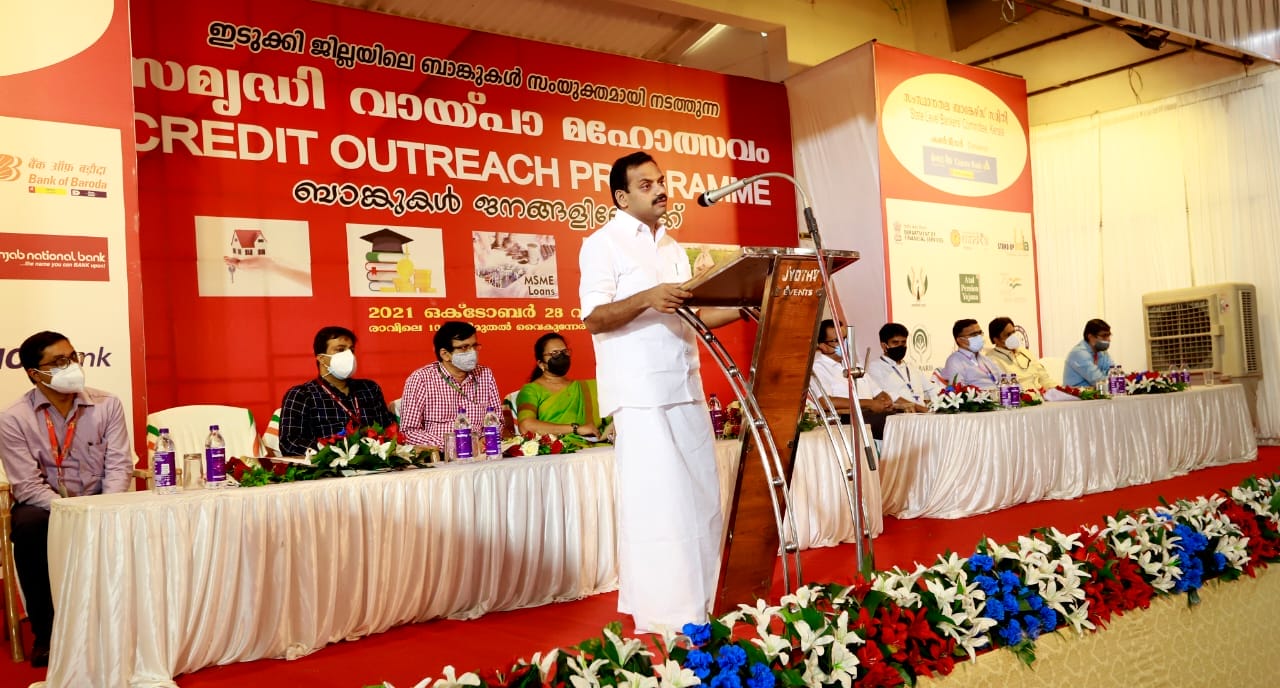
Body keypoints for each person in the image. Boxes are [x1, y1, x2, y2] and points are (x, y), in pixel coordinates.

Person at [579, 151, 742, 633]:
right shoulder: (602, 244)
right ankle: (666, 611)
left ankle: (705, 599)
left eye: (662, 181)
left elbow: (694, 316)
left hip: (685, 385)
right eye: (647, 185)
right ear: (621, 197)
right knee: (660, 503)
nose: (661, 191)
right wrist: (647, 297)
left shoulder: (673, 247)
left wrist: (746, 305)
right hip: (640, 392)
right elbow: (594, 318)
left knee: (700, 498)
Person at [0, 331, 132, 667]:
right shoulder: (13, 418)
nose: (71, 365)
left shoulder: (108, 404)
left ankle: (122, 625)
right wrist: (72, 511)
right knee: (28, 527)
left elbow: (119, 466)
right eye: (59, 361)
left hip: (100, 499)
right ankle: (47, 635)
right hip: (47, 506)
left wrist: (105, 507)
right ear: (35, 373)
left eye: (73, 357)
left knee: (128, 514)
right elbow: (27, 486)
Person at [278, 326, 397, 456]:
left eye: (351, 350)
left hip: (375, 462)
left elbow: (389, 431)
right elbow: (289, 443)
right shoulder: (301, 395)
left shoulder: (370, 388)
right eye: (340, 350)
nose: (349, 355)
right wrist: (334, 451)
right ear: (321, 358)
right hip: (327, 465)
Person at [401, 321, 501, 448]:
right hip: (440, 455)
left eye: (474, 346)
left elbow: (498, 421)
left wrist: (485, 439)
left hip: (481, 453)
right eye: (464, 347)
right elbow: (409, 432)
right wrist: (454, 445)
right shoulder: (421, 378)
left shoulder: (485, 374)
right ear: (445, 354)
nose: (472, 352)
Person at [810, 319, 895, 438]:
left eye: (845, 338)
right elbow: (825, 402)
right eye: (837, 340)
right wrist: (869, 404)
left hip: (871, 417)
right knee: (894, 428)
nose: (844, 344)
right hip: (846, 422)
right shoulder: (817, 368)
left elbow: (878, 392)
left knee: (901, 421)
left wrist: (885, 400)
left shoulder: (855, 365)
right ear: (823, 346)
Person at [516, 332, 601, 437]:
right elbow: (526, 426)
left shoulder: (586, 387)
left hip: (592, 443)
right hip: (555, 446)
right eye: (555, 353)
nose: (562, 356)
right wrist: (576, 429)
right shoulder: (530, 390)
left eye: (564, 351)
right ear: (541, 364)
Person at [866, 322, 931, 412]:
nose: (900, 346)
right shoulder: (875, 367)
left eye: (903, 342)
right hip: (900, 415)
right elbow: (889, 396)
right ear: (884, 345)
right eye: (895, 343)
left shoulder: (911, 366)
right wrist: (921, 409)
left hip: (922, 414)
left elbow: (930, 388)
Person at [987, 317, 1055, 390]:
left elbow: (1044, 378)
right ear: (996, 340)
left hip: (1043, 393)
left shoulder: (1024, 352)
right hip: (1023, 395)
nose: (1013, 336)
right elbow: (1003, 390)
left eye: (1013, 332)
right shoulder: (992, 360)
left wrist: (1058, 389)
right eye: (1008, 334)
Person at [939, 319, 1002, 388]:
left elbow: (1004, 379)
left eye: (980, 333)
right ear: (960, 340)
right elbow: (959, 390)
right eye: (974, 334)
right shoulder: (954, 361)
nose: (979, 336)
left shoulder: (985, 359)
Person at [1064, 318, 1115, 387]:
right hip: (1077, 393)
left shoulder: (1103, 352)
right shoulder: (1079, 353)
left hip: (1098, 392)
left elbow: (1114, 373)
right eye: (1104, 336)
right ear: (1090, 337)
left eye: (1109, 335)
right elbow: (1098, 380)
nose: (1108, 340)